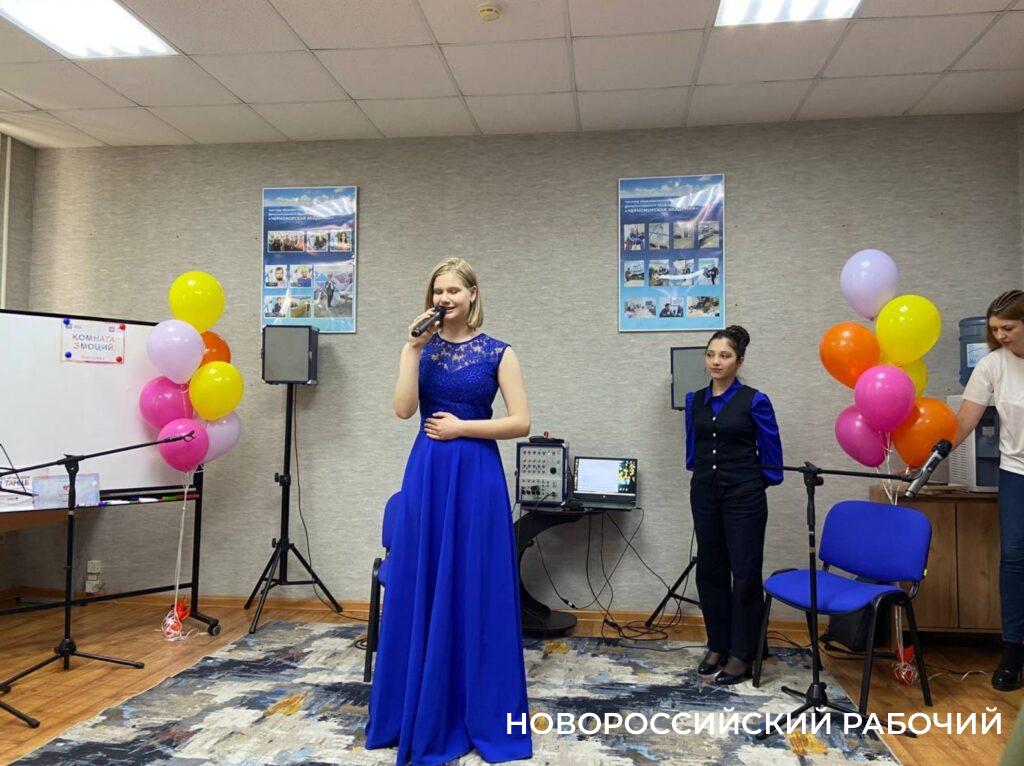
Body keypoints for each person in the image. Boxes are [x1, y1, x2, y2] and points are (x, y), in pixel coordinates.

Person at [365, 257, 533, 765]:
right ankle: (418, 706)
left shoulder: (499, 352)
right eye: (438, 291)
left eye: (454, 291)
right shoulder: (422, 349)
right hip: (428, 473)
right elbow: (403, 410)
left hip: (477, 473)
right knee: (421, 580)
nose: (444, 299)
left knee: (474, 581)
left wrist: (463, 428)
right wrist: (410, 350)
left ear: (473, 294)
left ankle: (478, 707)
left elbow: (521, 422)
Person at [685, 325, 783, 685]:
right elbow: (692, 450)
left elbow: (772, 456)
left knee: (744, 573)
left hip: (744, 496)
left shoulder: (755, 400)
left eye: (724, 356)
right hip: (704, 493)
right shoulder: (695, 400)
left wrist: (751, 484)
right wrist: (704, 478)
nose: (716, 361)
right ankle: (718, 644)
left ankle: (743, 653)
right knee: (709, 570)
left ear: (738, 361)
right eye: (711, 354)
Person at [954, 289, 1024, 692]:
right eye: (995, 330)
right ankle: (1013, 652)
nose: (1000, 336)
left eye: (1008, 328)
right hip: (1016, 472)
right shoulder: (993, 364)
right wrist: (930, 456)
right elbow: (965, 419)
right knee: (1014, 558)